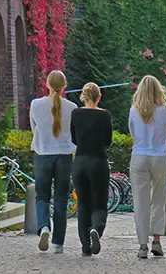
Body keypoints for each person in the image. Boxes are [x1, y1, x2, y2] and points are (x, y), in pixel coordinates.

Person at [128, 75, 166, 259]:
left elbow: (133, 134)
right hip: (161, 157)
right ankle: (157, 240)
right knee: (159, 200)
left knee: (140, 203)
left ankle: (142, 245)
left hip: (140, 156)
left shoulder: (134, 110)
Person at [30, 70, 77, 254]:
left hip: (43, 154)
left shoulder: (35, 105)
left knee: (42, 196)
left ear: (47, 84)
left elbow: (34, 128)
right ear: (64, 86)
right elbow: (73, 133)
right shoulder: (72, 107)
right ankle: (58, 243)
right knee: (61, 198)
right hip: (64, 156)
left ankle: (44, 227)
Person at [70, 82, 113, 256]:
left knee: (83, 205)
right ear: (99, 97)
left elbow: (73, 138)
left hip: (80, 161)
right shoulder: (104, 116)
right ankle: (96, 228)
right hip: (98, 161)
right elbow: (108, 140)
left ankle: (85, 246)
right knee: (99, 203)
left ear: (84, 96)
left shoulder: (76, 114)